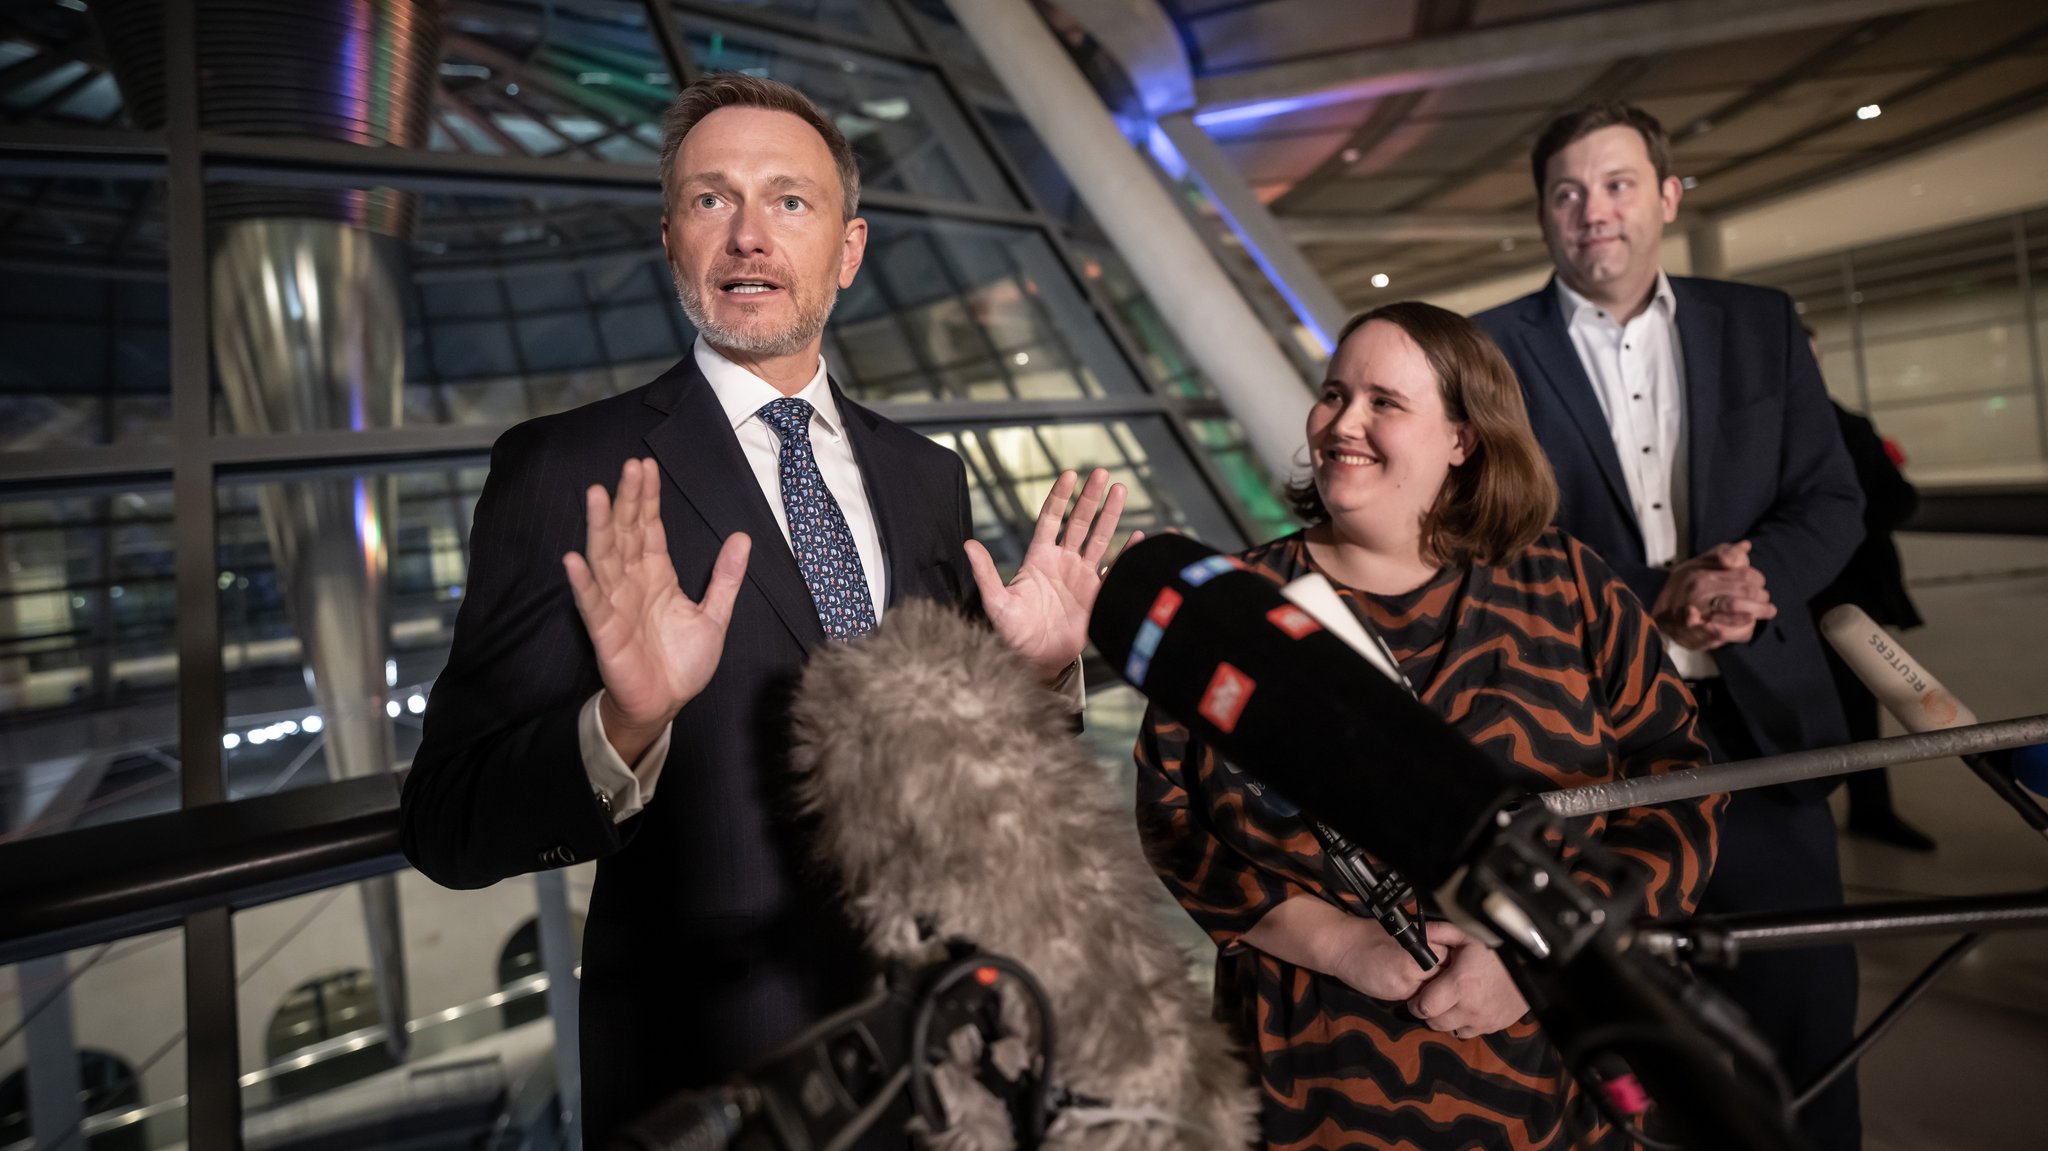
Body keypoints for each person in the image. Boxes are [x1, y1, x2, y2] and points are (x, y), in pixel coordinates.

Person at [399, 74, 1130, 1147]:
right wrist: (622, 724)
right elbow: (447, 823)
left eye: (788, 201)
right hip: (724, 1086)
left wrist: (1032, 684)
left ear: (847, 249)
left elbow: (974, 782)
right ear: (670, 239)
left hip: (953, 1061)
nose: (747, 235)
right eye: (711, 200)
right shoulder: (569, 466)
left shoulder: (923, 474)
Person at [1134, 301, 1721, 1150]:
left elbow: (1680, 781)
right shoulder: (1233, 609)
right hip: (1310, 1083)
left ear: (1463, 438)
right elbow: (1171, 816)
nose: (1344, 422)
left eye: (1385, 402)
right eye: (1334, 394)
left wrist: (1549, 957)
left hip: (1544, 1074)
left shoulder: (1569, 587)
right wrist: (1340, 944)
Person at [1475, 103, 1866, 1151]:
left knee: (1802, 1019)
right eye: (1565, 192)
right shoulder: (1489, 354)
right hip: (1587, 742)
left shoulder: (1759, 323)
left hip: (1758, 732)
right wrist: (1653, 592)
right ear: (1543, 214)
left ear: (1666, 196)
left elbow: (1829, 500)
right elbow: (1490, 538)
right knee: (1610, 1038)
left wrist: (1751, 581)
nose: (1590, 211)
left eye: (1614, 185)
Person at [1806, 330, 1933, 849]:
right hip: (1807, 593)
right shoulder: (1810, 427)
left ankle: (1868, 808)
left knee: (1858, 705)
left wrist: (1836, 524)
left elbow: (1897, 500)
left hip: (1847, 592)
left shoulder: (1843, 426)